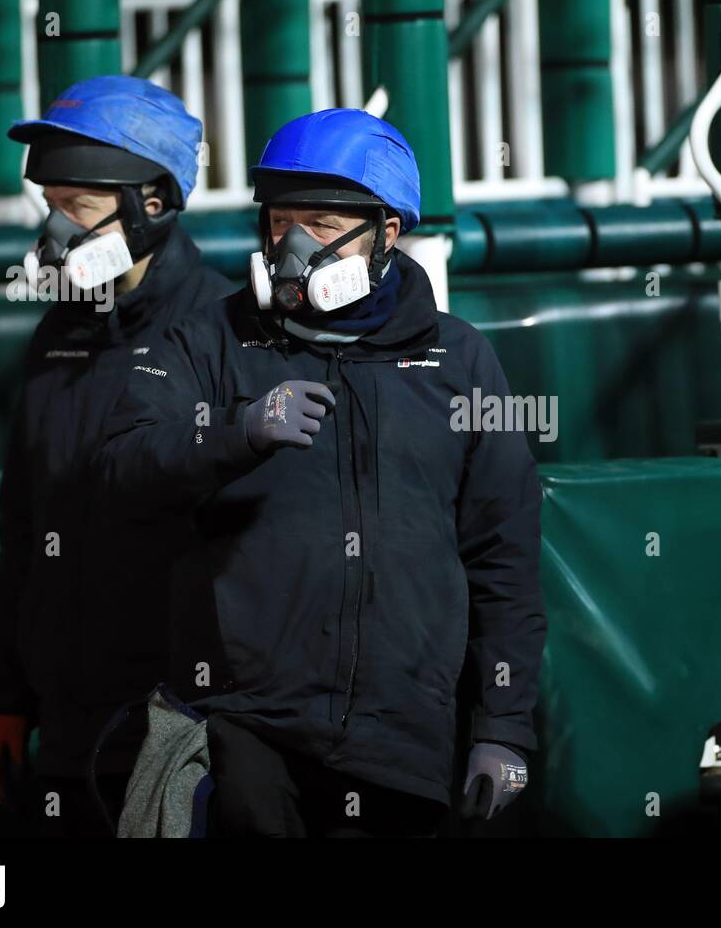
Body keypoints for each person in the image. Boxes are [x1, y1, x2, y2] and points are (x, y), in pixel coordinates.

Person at [95, 108, 545, 837]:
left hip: (405, 737)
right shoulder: (208, 339)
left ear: (388, 234)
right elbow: (119, 472)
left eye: (324, 224)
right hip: (248, 727)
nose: (295, 244)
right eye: (281, 222)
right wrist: (233, 434)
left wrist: (504, 726)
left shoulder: (460, 362)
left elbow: (504, 558)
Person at [0, 75, 235, 837]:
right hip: (68, 735)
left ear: (152, 204)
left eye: (77, 208)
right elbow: (24, 533)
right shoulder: (56, 339)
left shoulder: (223, 334)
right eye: (49, 204)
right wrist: (3, 701)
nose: (55, 232)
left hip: (185, 736)